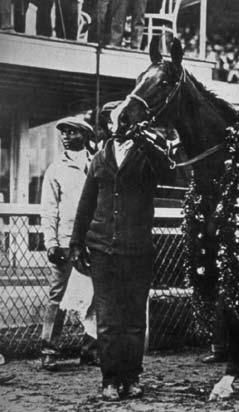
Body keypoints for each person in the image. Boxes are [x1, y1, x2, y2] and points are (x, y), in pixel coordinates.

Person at [70, 115, 174, 401]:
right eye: (116, 121)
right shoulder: (100, 158)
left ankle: (131, 378)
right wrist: (76, 243)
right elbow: (86, 203)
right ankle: (110, 380)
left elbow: (170, 174)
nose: (121, 126)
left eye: (127, 120)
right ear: (109, 126)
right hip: (103, 250)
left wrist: (149, 143)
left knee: (134, 319)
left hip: (137, 250)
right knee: (108, 320)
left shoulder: (147, 155)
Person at [40, 116, 96, 371]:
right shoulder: (56, 168)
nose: (65, 136)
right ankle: (49, 350)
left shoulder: (97, 163)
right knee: (57, 296)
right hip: (65, 241)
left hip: (93, 241)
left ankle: (90, 350)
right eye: (63, 132)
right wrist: (50, 242)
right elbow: (49, 209)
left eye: (72, 132)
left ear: (84, 136)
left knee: (97, 296)